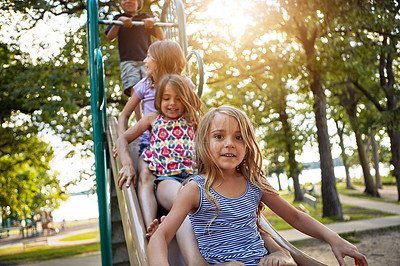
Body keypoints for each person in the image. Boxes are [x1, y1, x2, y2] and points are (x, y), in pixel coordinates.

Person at [148, 105, 368, 266]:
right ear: (205, 143)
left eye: (238, 137)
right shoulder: (196, 189)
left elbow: (295, 217)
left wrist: (334, 239)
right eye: (219, 136)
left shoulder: (254, 182)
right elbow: (161, 236)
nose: (229, 144)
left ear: (247, 145)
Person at [116, 74, 208, 265]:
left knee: (205, 198)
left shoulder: (193, 119)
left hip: (194, 178)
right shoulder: (152, 119)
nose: (172, 103)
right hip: (167, 180)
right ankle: (157, 230)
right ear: (159, 100)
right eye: (166, 98)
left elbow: (208, 145)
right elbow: (123, 138)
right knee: (184, 200)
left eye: (178, 98)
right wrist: (127, 164)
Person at [114, 40, 194, 231]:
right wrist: (122, 144)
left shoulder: (185, 84)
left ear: (162, 60)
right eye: (166, 99)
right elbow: (124, 115)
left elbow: (194, 115)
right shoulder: (145, 85)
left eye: (149, 56)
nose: (144, 61)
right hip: (150, 147)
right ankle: (151, 224)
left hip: (178, 148)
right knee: (145, 175)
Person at [106, 0, 164, 121]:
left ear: (138, 2)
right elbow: (110, 37)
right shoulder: (118, 17)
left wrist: (154, 23)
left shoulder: (144, 17)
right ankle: (140, 121)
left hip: (147, 60)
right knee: (135, 88)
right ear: (121, 3)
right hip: (128, 60)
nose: (128, 1)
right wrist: (119, 22)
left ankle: (154, 117)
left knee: (151, 86)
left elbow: (161, 37)